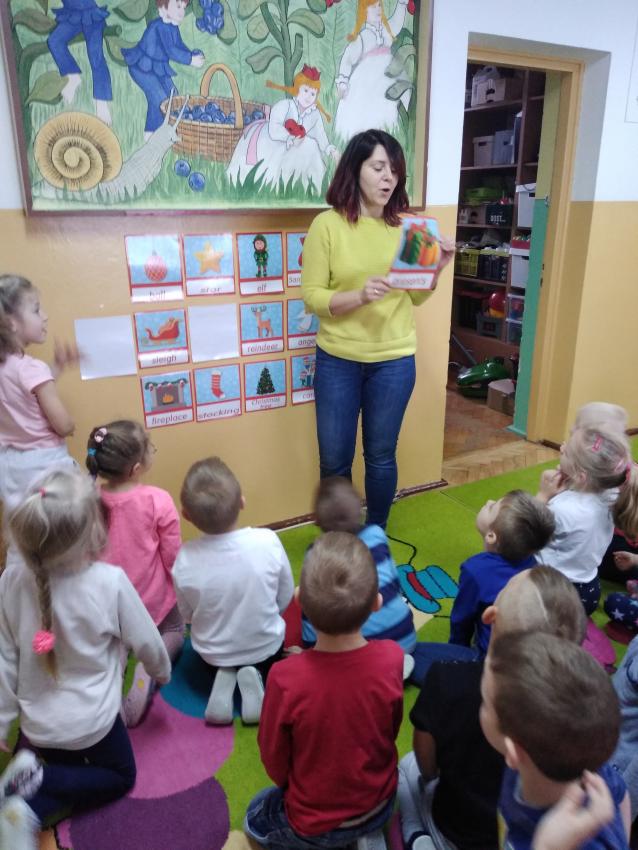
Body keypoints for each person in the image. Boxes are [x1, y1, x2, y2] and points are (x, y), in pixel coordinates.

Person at [0, 468, 170, 841]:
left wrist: (1, 723)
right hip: (94, 727)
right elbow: (147, 640)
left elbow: (4, 659)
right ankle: (40, 777)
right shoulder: (109, 582)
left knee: (65, 772)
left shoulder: (9, 582)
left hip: (38, 731)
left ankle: (28, 799)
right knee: (120, 776)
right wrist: (161, 671)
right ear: (91, 532)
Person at [301, 129, 454, 528]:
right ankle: (339, 537)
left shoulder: (408, 228)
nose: (389, 178)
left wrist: (437, 268)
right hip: (338, 359)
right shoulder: (327, 225)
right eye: (379, 167)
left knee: (381, 456)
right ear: (355, 169)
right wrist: (359, 296)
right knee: (334, 459)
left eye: (395, 170)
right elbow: (312, 297)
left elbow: (415, 296)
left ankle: (376, 534)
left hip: (394, 361)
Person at [398, 567, 587, 850]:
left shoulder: (446, 678)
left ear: (490, 617)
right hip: (511, 838)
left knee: (406, 768)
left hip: (450, 825)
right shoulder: (575, 715)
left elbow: (427, 765)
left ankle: (417, 835)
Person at [245, 532, 404, 850]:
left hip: (315, 823)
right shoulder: (393, 657)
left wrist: (292, 788)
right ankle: (366, 836)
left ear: (299, 601)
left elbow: (273, 755)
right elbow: (391, 727)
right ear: (377, 603)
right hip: (381, 801)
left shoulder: (285, 678)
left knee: (254, 816)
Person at [480, 631, 630, 849]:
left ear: (514, 752)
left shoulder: (583, 842)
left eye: (484, 702)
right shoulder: (584, 761)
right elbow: (622, 794)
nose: (480, 705)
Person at [173, 456, 294, 725]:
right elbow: (285, 594)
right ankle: (255, 681)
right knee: (266, 659)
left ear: (187, 516)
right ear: (242, 502)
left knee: (214, 657)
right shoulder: (267, 541)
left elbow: (187, 615)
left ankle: (225, 675)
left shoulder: (184, 558)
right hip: (266, 648)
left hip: (212, 655)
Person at [85, 420, 183, 726]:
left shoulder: (86, 501)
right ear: (136, 468)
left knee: (114, 644)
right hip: (151, 602)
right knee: (175, 630)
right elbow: (172, 556)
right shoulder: (157, 500)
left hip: (106, 605)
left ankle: (113, 676)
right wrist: (179, 585)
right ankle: (146, 668)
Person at [302, 476, 417, 663]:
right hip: (405, 637)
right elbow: (396, 585)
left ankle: (377, 666)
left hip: (358, 657)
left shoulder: (315, 554)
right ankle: (395, 665)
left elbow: (312, 610)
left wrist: (308, 650)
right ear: (361, 509)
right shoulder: (377, 535)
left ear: (316, 520)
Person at [0, 275, 78, 522]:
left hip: (11, 466)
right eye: (36, 310)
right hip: (46, 465)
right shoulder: (32, 368)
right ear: (11, 323)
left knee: (25, 527)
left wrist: (56, 367)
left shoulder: (9, 368)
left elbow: (24, 395)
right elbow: (63, 425)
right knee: (60, 527)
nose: (45, 316)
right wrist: (71, 425)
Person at [536, 424, 634, 614]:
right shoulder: (613, 493)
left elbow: (526, 531)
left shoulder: (561, 509)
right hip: (588, 593)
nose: (562, 447)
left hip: (553, 591)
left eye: (567, 451)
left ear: (582, 476)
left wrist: (543, 495)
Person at [227, 64, 338, 193]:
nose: (308, 97)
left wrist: (331, 150)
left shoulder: (314, 114)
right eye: (305, 91)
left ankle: (314, 187)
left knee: (311, 146)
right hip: (273, 141)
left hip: (297, 144)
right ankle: (274, 184)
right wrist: (289, 138)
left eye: (312, 93)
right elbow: (274, 129)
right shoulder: (285, 106)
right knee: (291, 151)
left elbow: (320, 135)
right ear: (297, 89)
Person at [122, 0, 204, 138]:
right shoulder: (159, 26)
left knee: (173, 95)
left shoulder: (172, 26)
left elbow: (179, 45)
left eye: (184, 8)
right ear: (163, 8)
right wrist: (190, 60)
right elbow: (171, 50)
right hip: (142, 68)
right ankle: (150, 135)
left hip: (157, 68)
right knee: (159, 98)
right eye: (178, 6)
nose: (182, 11)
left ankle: (167, 130)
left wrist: (191, 54)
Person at [334, 0, 411, 142]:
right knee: (368, 106)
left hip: (389, 72)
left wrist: (401, 4)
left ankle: (390, 131)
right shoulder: (362, 37)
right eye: (373, 7)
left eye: (379, 6)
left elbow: (397, 22)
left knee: (393, 99)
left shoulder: (386, 30)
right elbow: (348, 59)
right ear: (364, 12)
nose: (378, 10)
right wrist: (343, 80)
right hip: (368, 77)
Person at [46, 0, 113, 124]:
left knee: (96, 57)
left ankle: (102, 103)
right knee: (54, 41)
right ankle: (72, 75)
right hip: (72, 15)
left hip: (91, 15)